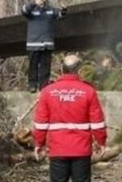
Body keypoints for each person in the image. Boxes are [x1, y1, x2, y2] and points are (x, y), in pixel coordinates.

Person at [32, 54, 107, 182]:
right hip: (81, 149)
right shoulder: (88, 91)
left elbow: (41, 123)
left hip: (57, 149)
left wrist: (39, 143)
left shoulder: (47, 91)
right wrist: (101, 142)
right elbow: (97, 122)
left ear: (61, 70)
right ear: (79, 70)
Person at [22, 0, 65, 92]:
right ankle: (32, 85)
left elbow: (60, 15)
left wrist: (64, 9)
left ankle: (44, 86)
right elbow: (24, 10)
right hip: (33, 44)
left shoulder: (50, 10)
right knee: (33, 65)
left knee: (45, 66)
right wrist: (34, 3)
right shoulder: (31, 10)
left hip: (47, 44)